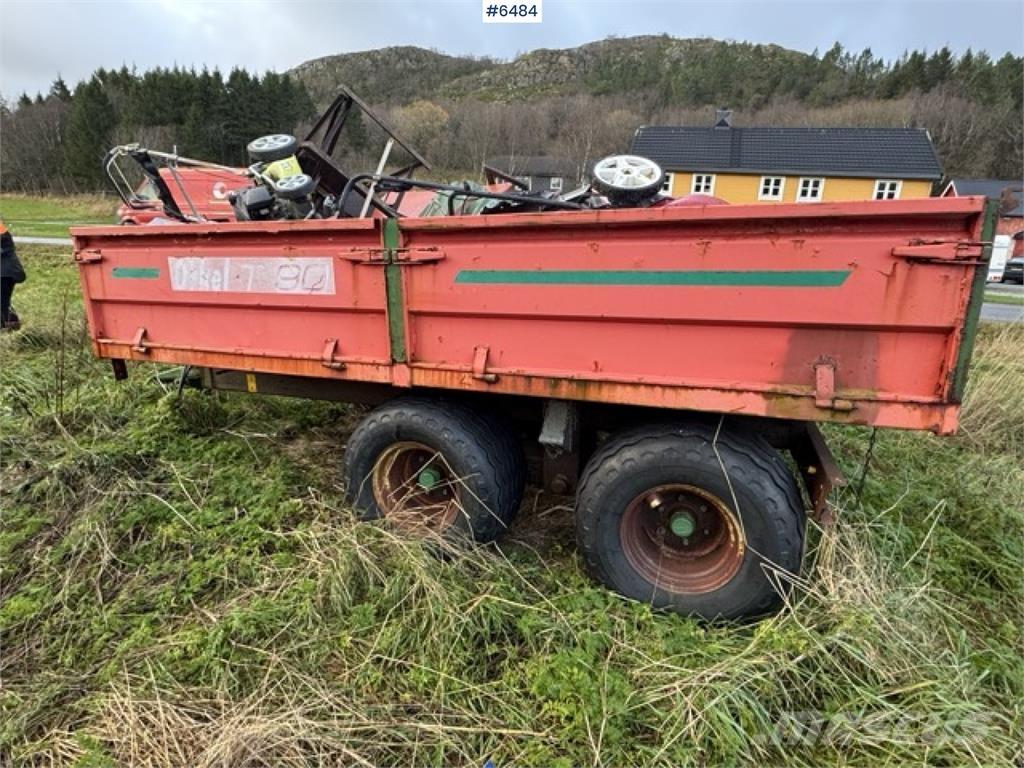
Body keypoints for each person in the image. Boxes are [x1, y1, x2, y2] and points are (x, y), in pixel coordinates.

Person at [0, 219, 26, 331]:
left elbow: (4, 247)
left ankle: (7, 328)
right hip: (6, 271)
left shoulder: (2, 235)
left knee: (2, 304)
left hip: (5, 272)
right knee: (4, 304)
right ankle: (12, 327)